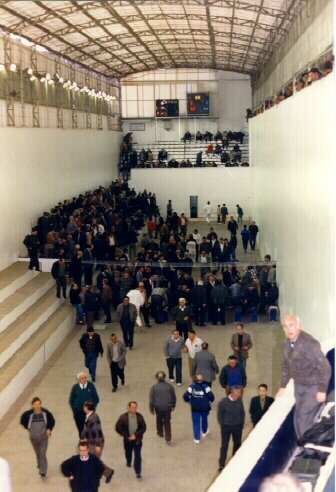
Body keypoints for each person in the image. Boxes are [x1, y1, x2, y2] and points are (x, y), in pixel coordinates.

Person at [276, 315, 331, 438]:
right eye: (285, 326)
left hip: (313, 386)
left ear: (299, 326)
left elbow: (325, 368)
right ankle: (306, 447)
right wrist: (283, 386)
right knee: (297, 419)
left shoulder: (310, 344)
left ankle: (310, 452)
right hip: (299, 385)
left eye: (291, 325)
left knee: (303, 419)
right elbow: (286, 366)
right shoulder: (286, 344)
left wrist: (322, 390)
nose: (288, 329)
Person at [20, 396, 55, 478]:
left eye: (39, 404)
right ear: (33, 405)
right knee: (38, 453)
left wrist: (49, 429)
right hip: (33, 438)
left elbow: (52, 420)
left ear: (41, 404)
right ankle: (40, 463)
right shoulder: (29, 414)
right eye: (35, 404)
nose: (37, 406)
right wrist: (29, 428)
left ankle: (43, 471)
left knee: (42, 453)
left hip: (43, 437)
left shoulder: (45, 413)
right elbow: (22, 420)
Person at [81, 402, 114, 483]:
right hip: (90, 441)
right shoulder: (89, 416)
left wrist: (98, 446)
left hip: (95, 443)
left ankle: (108, 472)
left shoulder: (94, 418)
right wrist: (82, 437)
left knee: (93, 461)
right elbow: (85, 428)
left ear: (87, 408)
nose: (83, 408)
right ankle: (107, 472)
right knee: (91, 460)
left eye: (84, 406)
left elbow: (97, 432)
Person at [115, 401, 147, 479]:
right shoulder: (123, 417)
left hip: (137, 440)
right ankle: (129, 461)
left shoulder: (139, 416)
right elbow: (118, 427)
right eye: (132, 407)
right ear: (129, 407)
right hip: (127, 440)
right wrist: (125, 435)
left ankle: (138, 472)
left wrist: (135, 435)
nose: (134, 409)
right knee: (128, 452)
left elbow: (143, 427)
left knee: (138, 456)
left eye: (135, 407)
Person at [217, 386, 245, 470]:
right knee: (224, 445)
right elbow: (220, 415)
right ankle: (222, 464)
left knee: (237, 444)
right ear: (233, 393)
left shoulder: (239, 400)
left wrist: (241, 424)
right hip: (226, 427)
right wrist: (223, 425)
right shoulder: (223, 402)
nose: (240, 394)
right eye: (239, 393)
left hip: (237, 426)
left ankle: (235, 461)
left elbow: (242, 413)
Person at [183, 374, 215, 444]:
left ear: (194, 380)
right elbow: (212, 397)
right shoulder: (206, 387)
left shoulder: (191, 387)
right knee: (204, 419)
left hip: (195, 408)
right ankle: (205, 431)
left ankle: (197, 438)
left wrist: (189, 401)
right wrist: (210, 401)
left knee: (196, 422)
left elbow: (185, 396)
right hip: (205, 407)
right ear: (203, 380)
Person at [149, 371, 176, 444]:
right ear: (165, 377)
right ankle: (168, 438)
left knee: (159, 419)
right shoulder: (170, 387)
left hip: (158, 407)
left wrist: (152, 408)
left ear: (157, 378)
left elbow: (152, 399)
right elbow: (173, 397)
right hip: (167, 407)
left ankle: (160, 432)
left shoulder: (154, 387)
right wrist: (173, 405)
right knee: (167, 422)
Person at [69, 372, 100, 436]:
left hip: (89, 412)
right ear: (79, 380)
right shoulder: (75, 387)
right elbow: (71, 400)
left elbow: (96, 399)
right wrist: (74, 410)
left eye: (85, 377)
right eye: (82, 378)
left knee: (90, 428)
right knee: (80, 428)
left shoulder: (91, 386)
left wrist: (92, 409)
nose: (84, 379)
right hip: (78, 412)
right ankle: (82, 441)